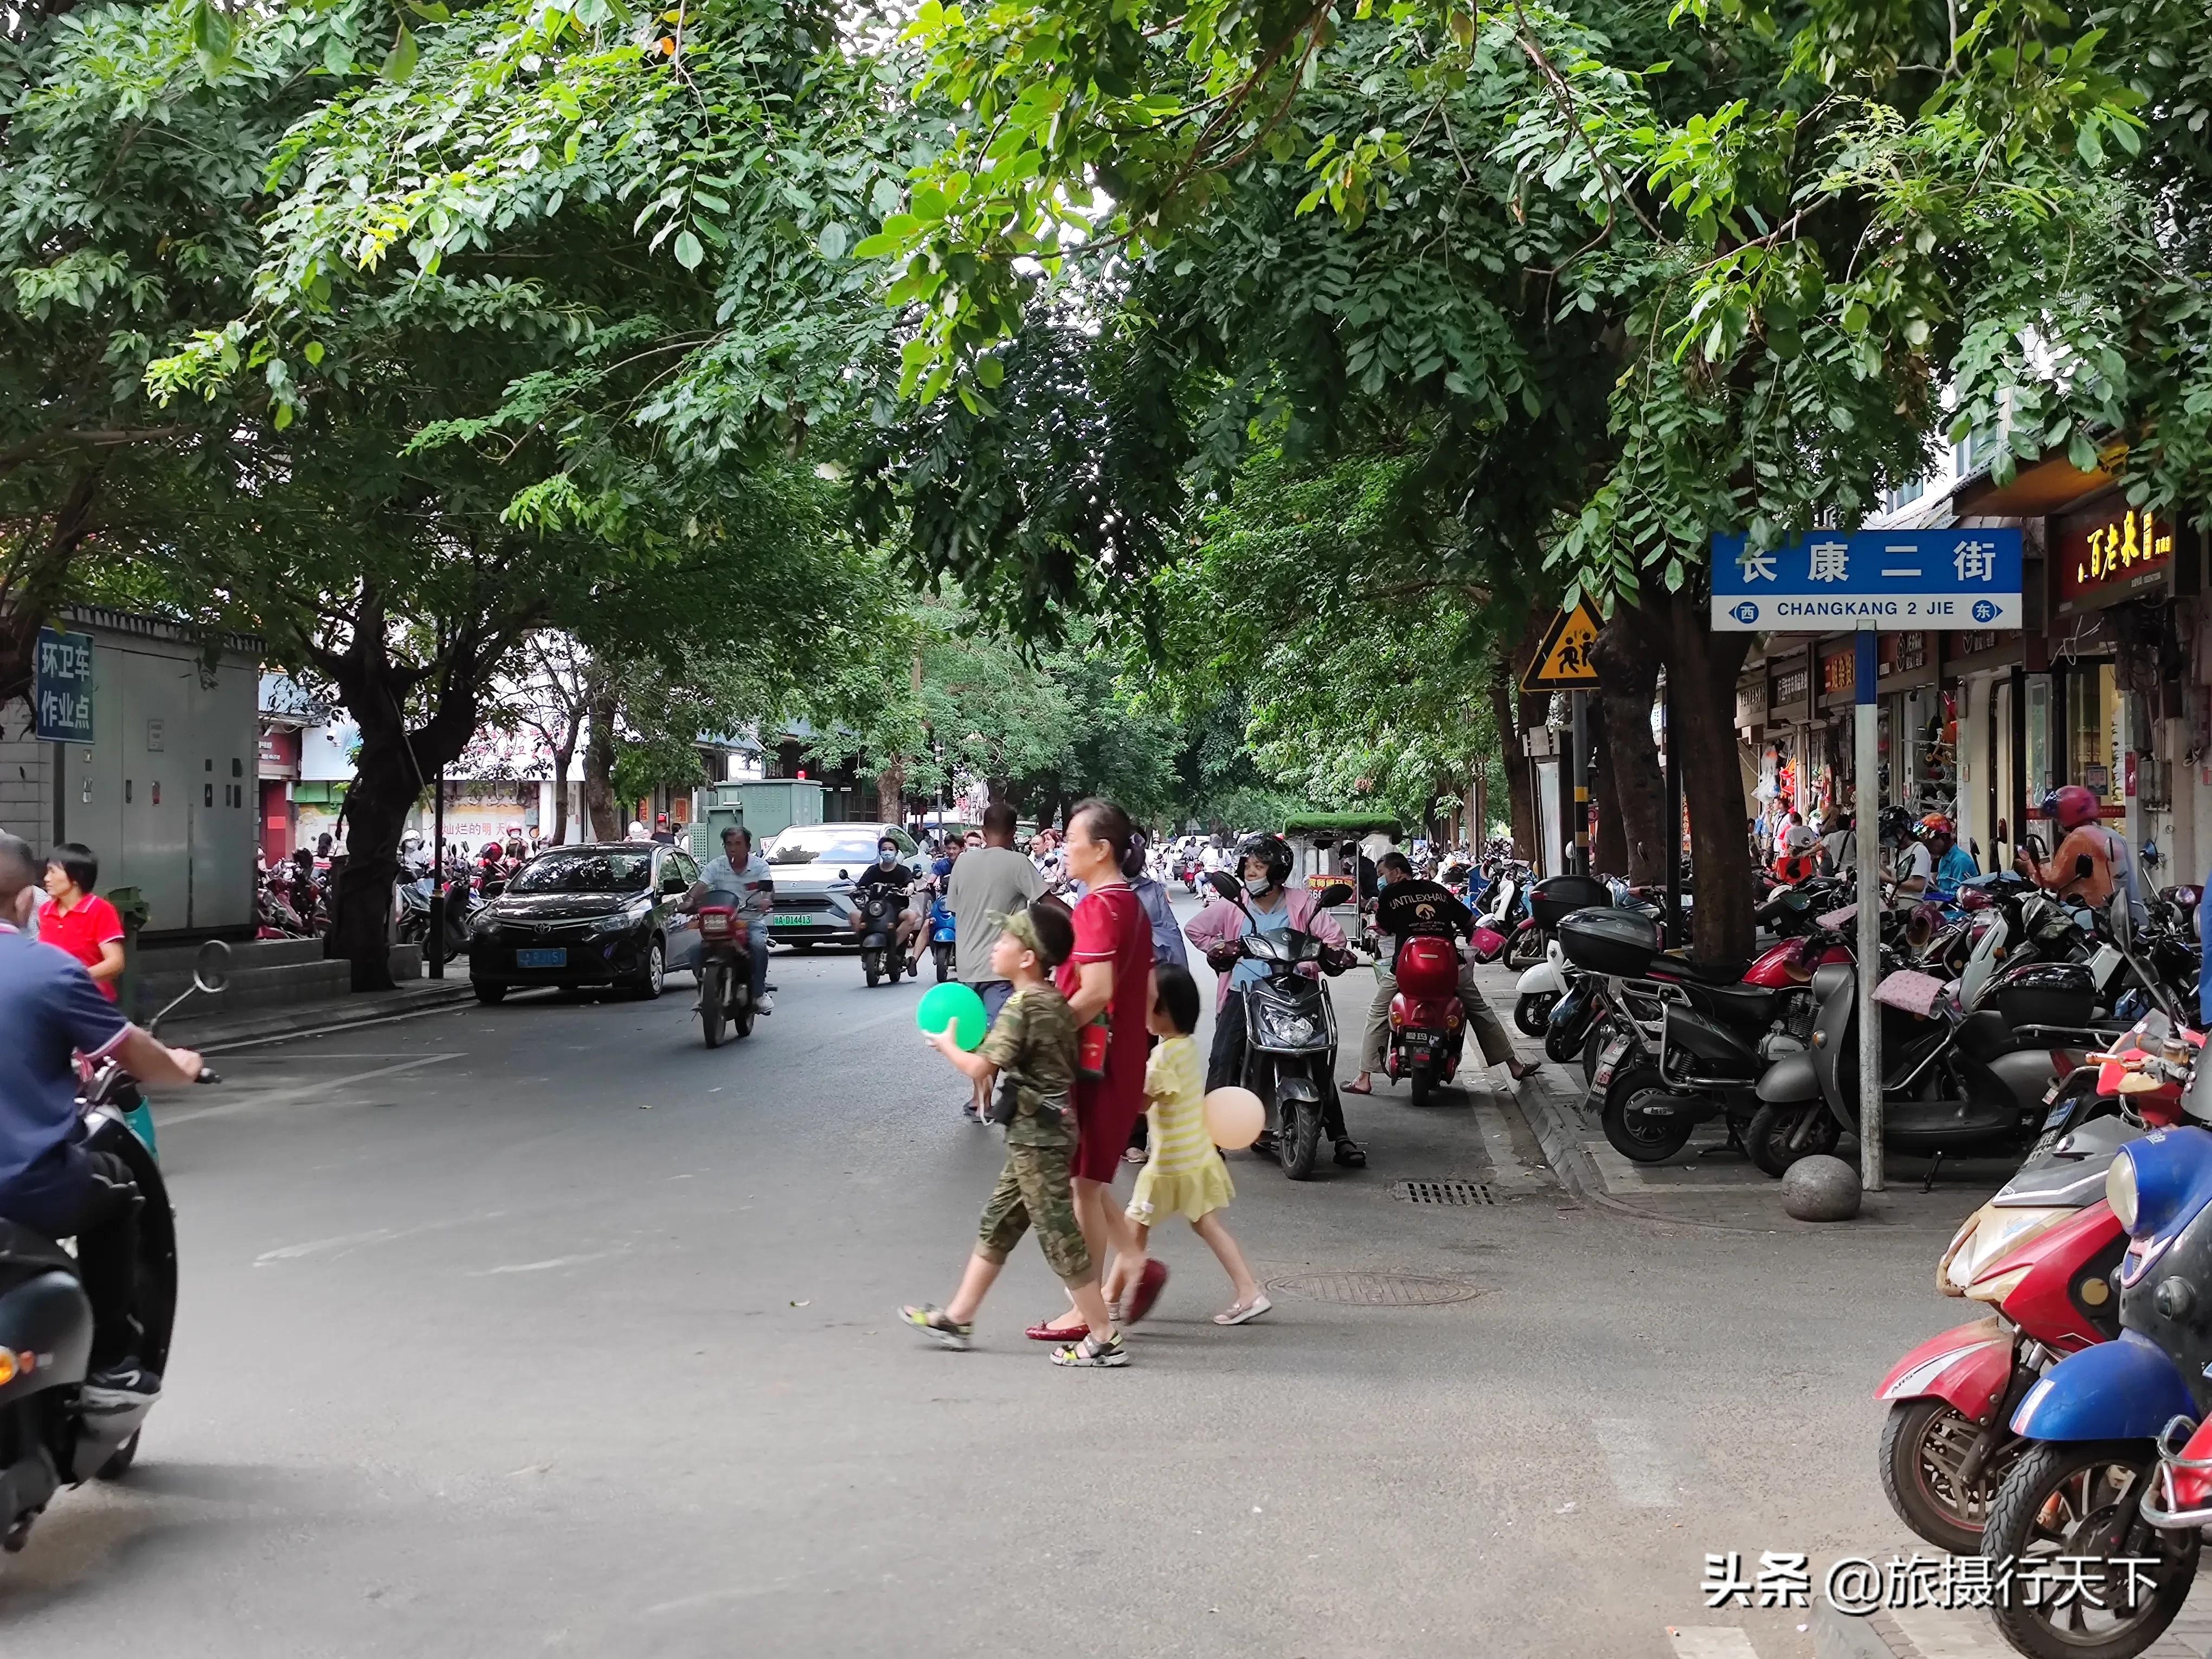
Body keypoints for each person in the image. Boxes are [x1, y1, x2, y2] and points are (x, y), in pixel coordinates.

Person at [0, 833, 203, 1403]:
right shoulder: (47, 969)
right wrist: (182, 1066)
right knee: (117, 1195)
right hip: (26, 1186)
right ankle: (112, 1358)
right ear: (24, 901)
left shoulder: (90, 922)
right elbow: (136, 1054)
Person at [901, 902, 1127, 1367]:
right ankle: (960, 1317)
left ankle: (1103, 1336)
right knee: (999, 1224)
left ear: (1028, 958)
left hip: (1039, 1138)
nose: (996, 946)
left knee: (1059, 1236)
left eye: (1006, 940)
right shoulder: (1051, 1000)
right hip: (1041, 1134)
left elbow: (982, 1066)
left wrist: (946, 1046)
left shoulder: (1021, 1006)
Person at [1034, 800, 1160, 1341]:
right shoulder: (1128, 904)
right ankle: (1133, 1260)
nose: (1064, 849)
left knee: (1082, 1185)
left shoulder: (1097, 908)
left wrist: (1040, 1029)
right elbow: (1148, 993)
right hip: (1119, 1056)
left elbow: (1098, 991)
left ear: (1101, 849)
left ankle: (1089, 1310)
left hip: (1095, 1062)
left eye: (1071, 840)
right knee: (1089, 1175)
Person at [1102, 965, 1269, 1326]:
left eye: (1147, 1004)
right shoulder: (1183, 1048)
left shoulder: (1163, 1058)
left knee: (1134, 1227)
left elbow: (1140, 1104)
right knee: (1202, 1225)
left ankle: (1107, 1299)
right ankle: (1249, 1291)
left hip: (1169, 1165)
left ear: (1163, 1013)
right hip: (1195, 1155)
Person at [1185, 832, 1364, 1166]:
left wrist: (1325, 956)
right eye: (1247, 866)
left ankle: (1340, 1137)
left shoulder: (1303, 903)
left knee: (1315, 1058)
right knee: (1223, 1057)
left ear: (1278, 871)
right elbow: (1196, 930)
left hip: (1295, 990)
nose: (1251, 873)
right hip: (1246, 992)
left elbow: (1333, 938)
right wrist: (1222, 947)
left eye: (1259, 866)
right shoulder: (1233, 903)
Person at [1346, 851, 1532, 1096]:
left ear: (1397, 872)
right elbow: (1469, 919)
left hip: (1406, 967)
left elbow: (1384, 927)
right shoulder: (1438, 890)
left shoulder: (1390, 893)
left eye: (1383, 874)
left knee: (1378, 1013)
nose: (1381, 879)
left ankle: (1364, 1078)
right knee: (1480, 1011)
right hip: (1448, 966)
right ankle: (1515, 1066)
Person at [946, 803, 1046, 1120]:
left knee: (977, 1036)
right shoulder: (1018, 862)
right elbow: (1046, 902)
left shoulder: (962, 862)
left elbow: (955, 909)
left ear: (983, 830)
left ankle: (980, 1099)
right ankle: (986, 1100)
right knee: (997, 1035)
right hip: (1001, 967)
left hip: (966, 966)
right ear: (1015, 832)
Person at [2017, 785, 2147, 929]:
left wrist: (2030, 867)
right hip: (2130, 919)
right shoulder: (2111, 834)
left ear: (2067, 816)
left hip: (2099, 922)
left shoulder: (2080, 837)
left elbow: (2053, 880)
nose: (2058, 826)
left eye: (2058, 819)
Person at [684, 825, 775, 1014]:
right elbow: (702, 885)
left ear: (748, 847)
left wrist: (766, 900)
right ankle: (704, 993)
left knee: (759, 946)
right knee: (694, 952)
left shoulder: (760, 866)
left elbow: (769, 888)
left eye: (738, 844)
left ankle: (759, 993)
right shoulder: (716, 866)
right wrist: (690, 901)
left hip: (750, 921)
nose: (733, 848)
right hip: (720, 922)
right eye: (729, 844)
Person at [40, 843, 126, 1003]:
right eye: (47, 872)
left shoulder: (100, 909)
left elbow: (115, 963)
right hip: (54, 999)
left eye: (53, 871)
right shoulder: (45, 910)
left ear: (76, 877)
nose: (47, 879)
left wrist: (74, 978)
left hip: (91, 1002)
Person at [851, 834, 922, 959]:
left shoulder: (902, 871)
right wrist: (856, 890)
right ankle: (864, 947)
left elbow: (910, 882)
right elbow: (860, 886)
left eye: (891, 849)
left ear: (896, 852)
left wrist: (909, 888)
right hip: (874, 909)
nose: (887, 852)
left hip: (896, 909)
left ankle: (893, 947)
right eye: (884, 849)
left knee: (911, 916)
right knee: (854, 915)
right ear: (880, 852)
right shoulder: (872, 870)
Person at [1924, 815, 1978, 889]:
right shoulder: (1944, 858)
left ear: (1944, 837)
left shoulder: (1960, 861)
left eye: (1931, 843)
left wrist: (1935, 893)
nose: (1929, 848)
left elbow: (1958, 895)